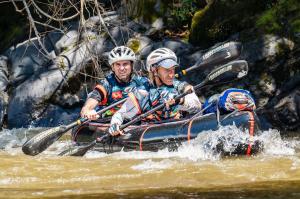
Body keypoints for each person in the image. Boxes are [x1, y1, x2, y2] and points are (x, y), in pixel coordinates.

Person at [108, 48, 202, 135]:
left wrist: (180, 101)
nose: (171, 75)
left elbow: (197, 106)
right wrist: (115, 124)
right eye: (167, 70)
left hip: (179, 129)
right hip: (150, 134)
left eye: (173, 70)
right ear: (154, 70)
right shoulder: (143, 92)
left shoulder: (181, 87)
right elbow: (121, 114)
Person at [80, 46, 150, 120]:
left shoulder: (143, 82)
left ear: (131, 65)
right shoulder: (106, 84)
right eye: (118, 64)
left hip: (137, 122)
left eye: (125, 64)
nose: (122, 68)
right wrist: (87, 110)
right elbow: (93, 99)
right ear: (113, 67)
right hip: (110, 122)